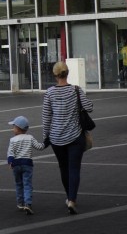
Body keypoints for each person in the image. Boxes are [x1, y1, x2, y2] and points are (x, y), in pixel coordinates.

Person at [42, 61, 94, 215]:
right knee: (74, 168)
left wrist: (46, 136)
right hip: (75, 137)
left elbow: (46, 117)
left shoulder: (50, 93)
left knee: (63, 168)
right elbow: (90, 107)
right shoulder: (76, 90)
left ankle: (68, 196)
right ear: (67, 73)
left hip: (56, 138)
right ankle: (72, 199)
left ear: (55, 75)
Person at [6, 115, 45, 215]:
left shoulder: (12, 140)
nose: (12, 129)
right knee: (27, 184)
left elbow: (10, 153)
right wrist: (46, 142)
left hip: (16, 164)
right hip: (27, 164)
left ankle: (20, 203)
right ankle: (28, 203)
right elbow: (39, 147)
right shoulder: (30, 138)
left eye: (13, 127)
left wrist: (10, 162)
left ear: (18, 128)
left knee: (19, 184)